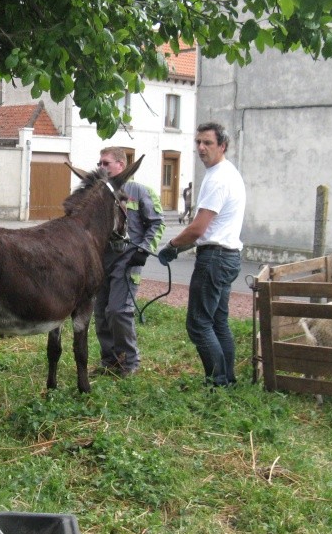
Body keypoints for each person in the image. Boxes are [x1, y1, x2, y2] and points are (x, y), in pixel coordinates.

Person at [158, 122, 246, 387]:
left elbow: (197, 229)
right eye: (198, 142)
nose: (200, 148)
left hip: (215, 259)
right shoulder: (227, 172)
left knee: (198, 324)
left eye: (207, 143)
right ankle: (227, 379)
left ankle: (218, 382)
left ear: (223, 146)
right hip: (228, 256)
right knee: (218, 322)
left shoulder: (218, 178)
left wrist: (172, 245)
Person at [93, 147, 165, 378]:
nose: (101, 167)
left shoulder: (140, 191)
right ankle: (110, 361)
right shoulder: (98, 193)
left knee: (118, 311)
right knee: (101, 313)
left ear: (121, 166)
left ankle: (130, 363)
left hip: (128, 260)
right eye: (100, 163)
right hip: (102, 261)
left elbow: (157, 223)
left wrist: (143, 251)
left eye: (106, 163)